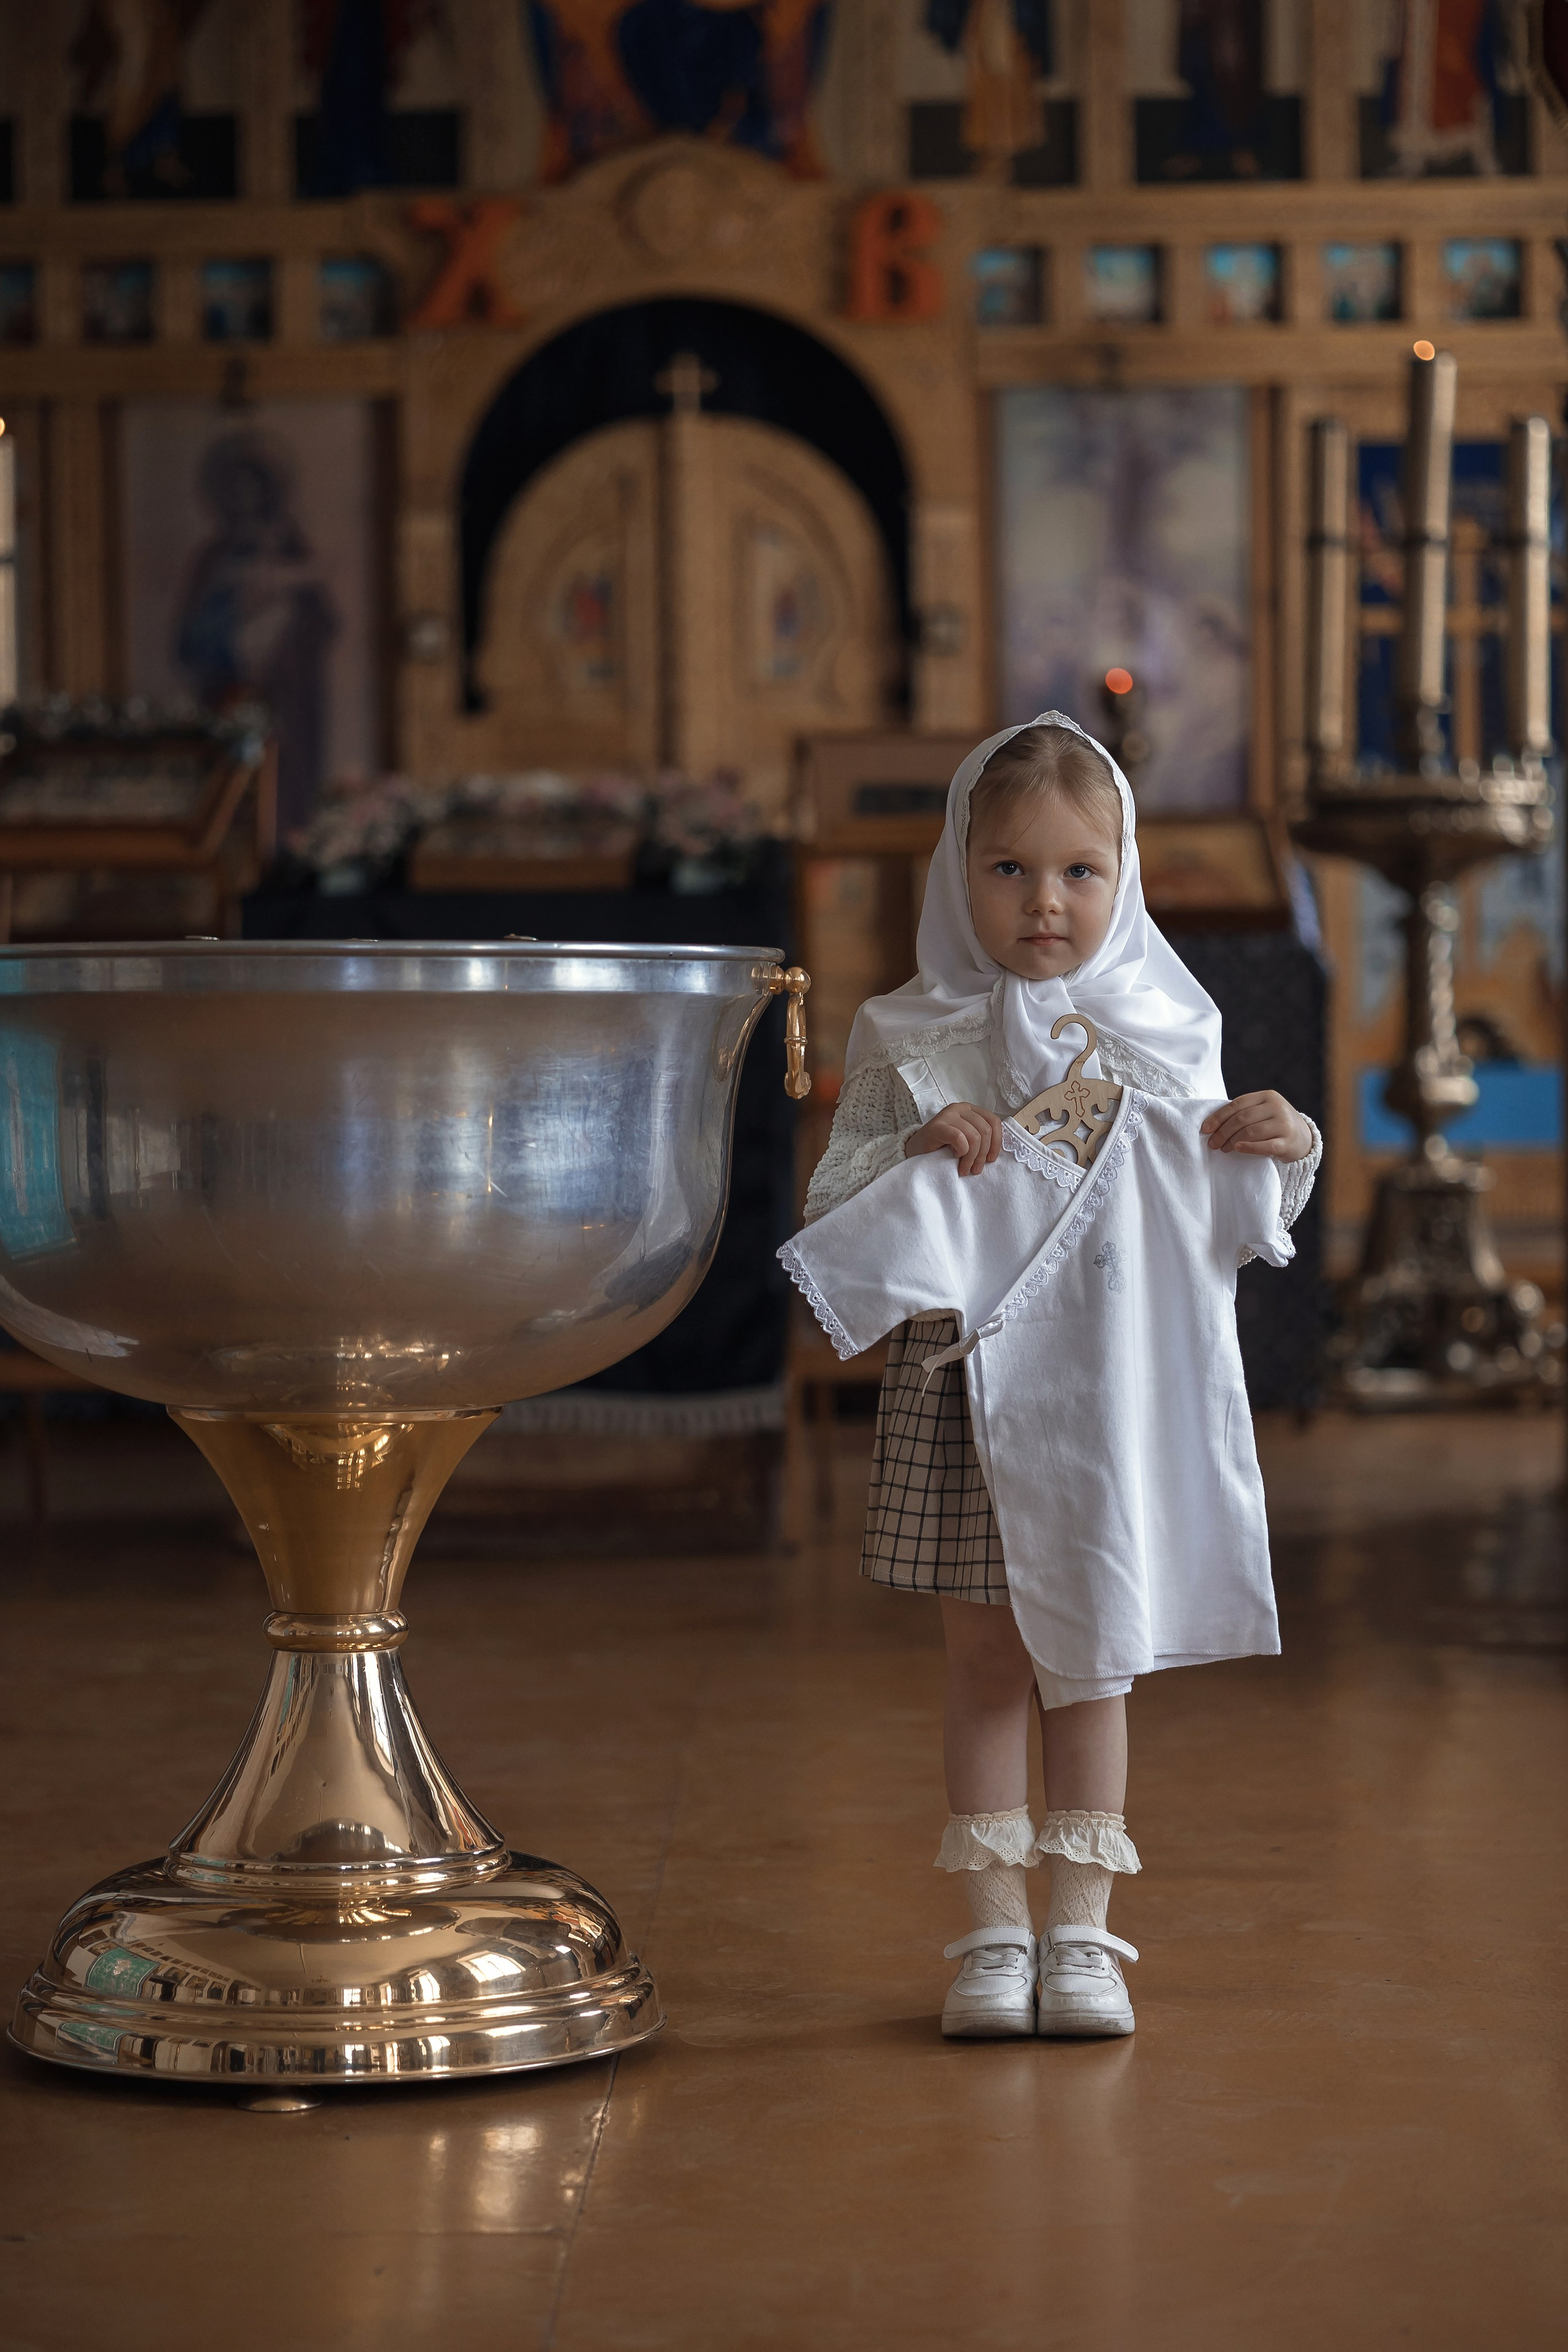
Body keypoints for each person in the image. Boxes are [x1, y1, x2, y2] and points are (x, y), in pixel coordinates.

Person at [790, 715, 1319, 2042]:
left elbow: (1234, 1207)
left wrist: (1284, 1140)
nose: (1045, 903)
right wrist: (918, 1140)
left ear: (1123, 874)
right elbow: (834, 1202)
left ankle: (1081, 1934)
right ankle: (987, 1937)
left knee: (1093, 1664)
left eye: (1079, 872)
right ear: (956, 875)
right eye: (1009, 871)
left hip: (1108, 1399)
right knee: (983, 1666)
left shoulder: (1159, 1028)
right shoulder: (910, 1031)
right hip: (965, 1388)